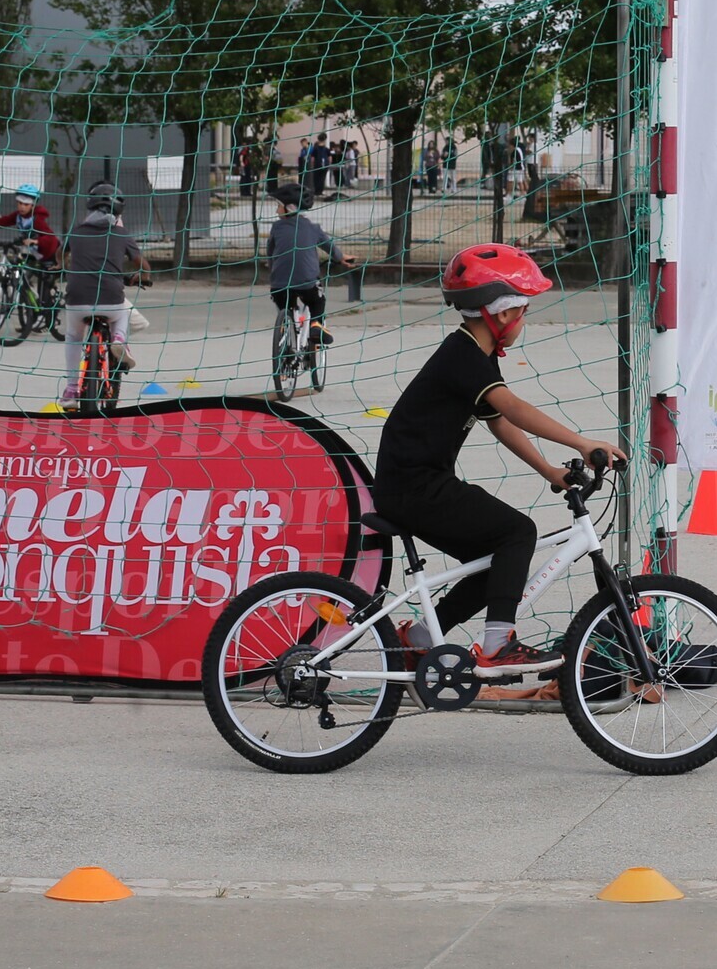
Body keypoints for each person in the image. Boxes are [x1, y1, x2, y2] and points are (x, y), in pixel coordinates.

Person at [373, 243, 625, 680]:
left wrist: (548, 469)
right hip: (415, 486)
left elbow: (497, 423)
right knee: (517, 532)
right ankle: (498, 644)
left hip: (414, 483)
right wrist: (582, 442)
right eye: (524, 311)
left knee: (494, 558)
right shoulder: (463, 355)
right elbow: (512, 408)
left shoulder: (474, 353)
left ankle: (416, 642)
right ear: (504, 314)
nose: (524, 320)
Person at [60, 181, 152, 400]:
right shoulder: (121, 234)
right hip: (111, 299)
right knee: (122, 312)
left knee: (73, 336)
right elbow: (143, 265)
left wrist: (64, 267)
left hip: (77, 299)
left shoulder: (77, 232)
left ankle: (72, 389)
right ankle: (119, 339)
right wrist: (144, 278)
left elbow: (60, 253)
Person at [265, 182, 355, 348]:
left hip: (279, 285)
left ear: (289, 208)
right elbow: (330, 247)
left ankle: (287, 332)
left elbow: (270, 253)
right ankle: (316, 325)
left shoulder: (276, 228)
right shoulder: (313, 228)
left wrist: (272, 269)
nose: (276, 210)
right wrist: (341, 258)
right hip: (307, 283)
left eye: (278, 206)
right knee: (317, 301)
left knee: (285, 305)